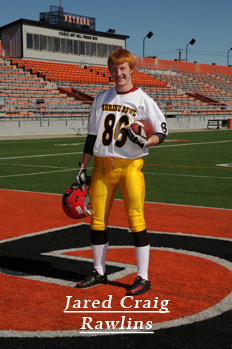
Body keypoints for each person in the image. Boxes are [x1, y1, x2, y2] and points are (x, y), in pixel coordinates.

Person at [75, 48, 168, 295]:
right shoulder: (101, 98)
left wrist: (148, 142)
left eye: (123, 69)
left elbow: (162, 132)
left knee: (136, 220)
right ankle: (99, 271)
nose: (119, 73)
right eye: (114, 69)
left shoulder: (143, 100)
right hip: (102, 167)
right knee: (97, 222)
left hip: (130, 167)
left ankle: (143, 277)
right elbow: (92, 136)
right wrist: (82, 166)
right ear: (110, 71)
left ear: (131, 70)